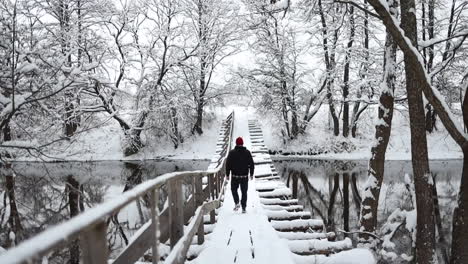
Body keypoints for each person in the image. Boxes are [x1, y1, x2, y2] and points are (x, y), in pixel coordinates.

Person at [225, 136, 255, 213]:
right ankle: (244, 208)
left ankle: (237, 202)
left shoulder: (231, 153)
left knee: (233, 190)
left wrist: (227, 174)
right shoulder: (247, 152)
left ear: (236, 143)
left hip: (235, 176)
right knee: (244, 192)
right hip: (244, 176)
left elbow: (228, 164)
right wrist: (251, 174)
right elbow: (251, 164)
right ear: (242, 143)